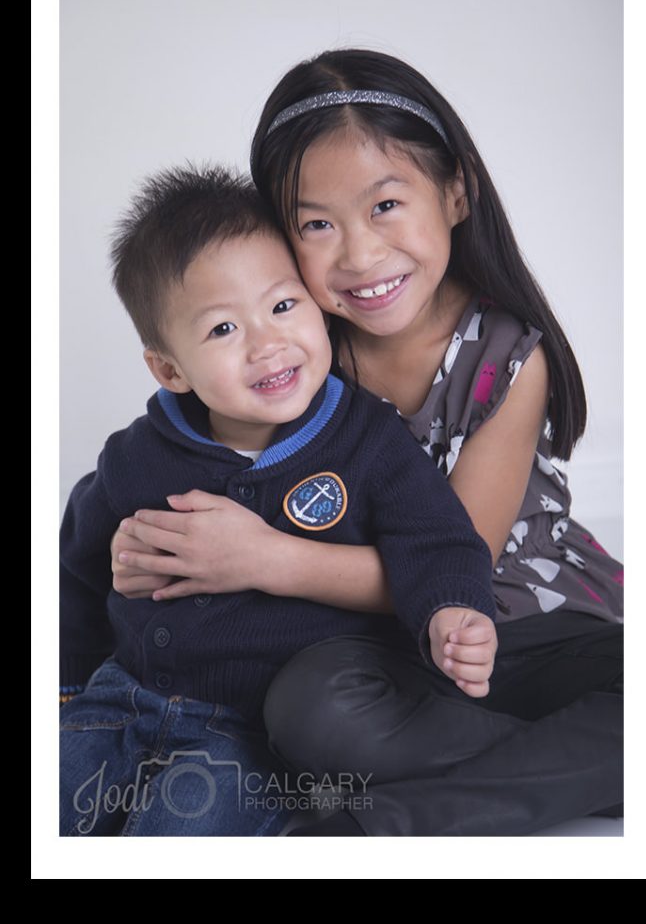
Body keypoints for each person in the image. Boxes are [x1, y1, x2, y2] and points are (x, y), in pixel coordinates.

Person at [111, 49, 624, 836]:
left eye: (385, 204)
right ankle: (577, 768)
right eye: (316, 224)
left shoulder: (508, 358)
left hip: (517, 622)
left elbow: (460, 556)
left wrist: (264, 558)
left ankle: (386, 820)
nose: (358, 254)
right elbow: (197, 465)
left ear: (455, 191)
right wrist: (139, 545)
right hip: (370, 650)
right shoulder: (292, 353)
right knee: (311, 710)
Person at [60, 163, 497, 837]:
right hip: (119, 699)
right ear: (170, 369)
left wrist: (454, 613)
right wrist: (67, 681)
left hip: (248, 738)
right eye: (222, 330)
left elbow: (437, 540)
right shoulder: (136, 456)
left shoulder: (368, 440)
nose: (266, 344)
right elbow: (80, 568)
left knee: (176, 832)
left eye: (283, 306)